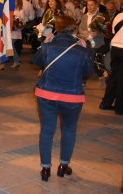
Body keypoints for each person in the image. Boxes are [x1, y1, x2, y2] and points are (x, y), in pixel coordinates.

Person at [32, 15, 92, 182]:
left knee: (47, 130)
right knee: (69, 130)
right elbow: (88, 72)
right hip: (72, 97)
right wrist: (87, 49)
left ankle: (45, 169)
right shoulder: (81, 49)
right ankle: (63, 166)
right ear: (74, 29)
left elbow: (35, 60)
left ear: (57, 28)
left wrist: (45, 42)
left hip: (46, 95)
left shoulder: (49, 45)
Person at [100, 12, 123, 114]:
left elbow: (113, 31)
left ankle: (106, 103)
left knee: (114, 76)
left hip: (115, 48)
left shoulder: (119, 15)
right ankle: (120, 108)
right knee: (122, 79)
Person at [11, 0, 27, 68]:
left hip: (16, 32)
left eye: (16, 1)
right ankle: (16, 60)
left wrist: (16, 22)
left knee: (11, 45)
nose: (14, 2)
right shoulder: (11, 9)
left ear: (19, 2)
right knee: (11, 46)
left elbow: (23, 22)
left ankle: (16, 61)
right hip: (10, 31)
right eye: (14, 1)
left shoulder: (21, 11)